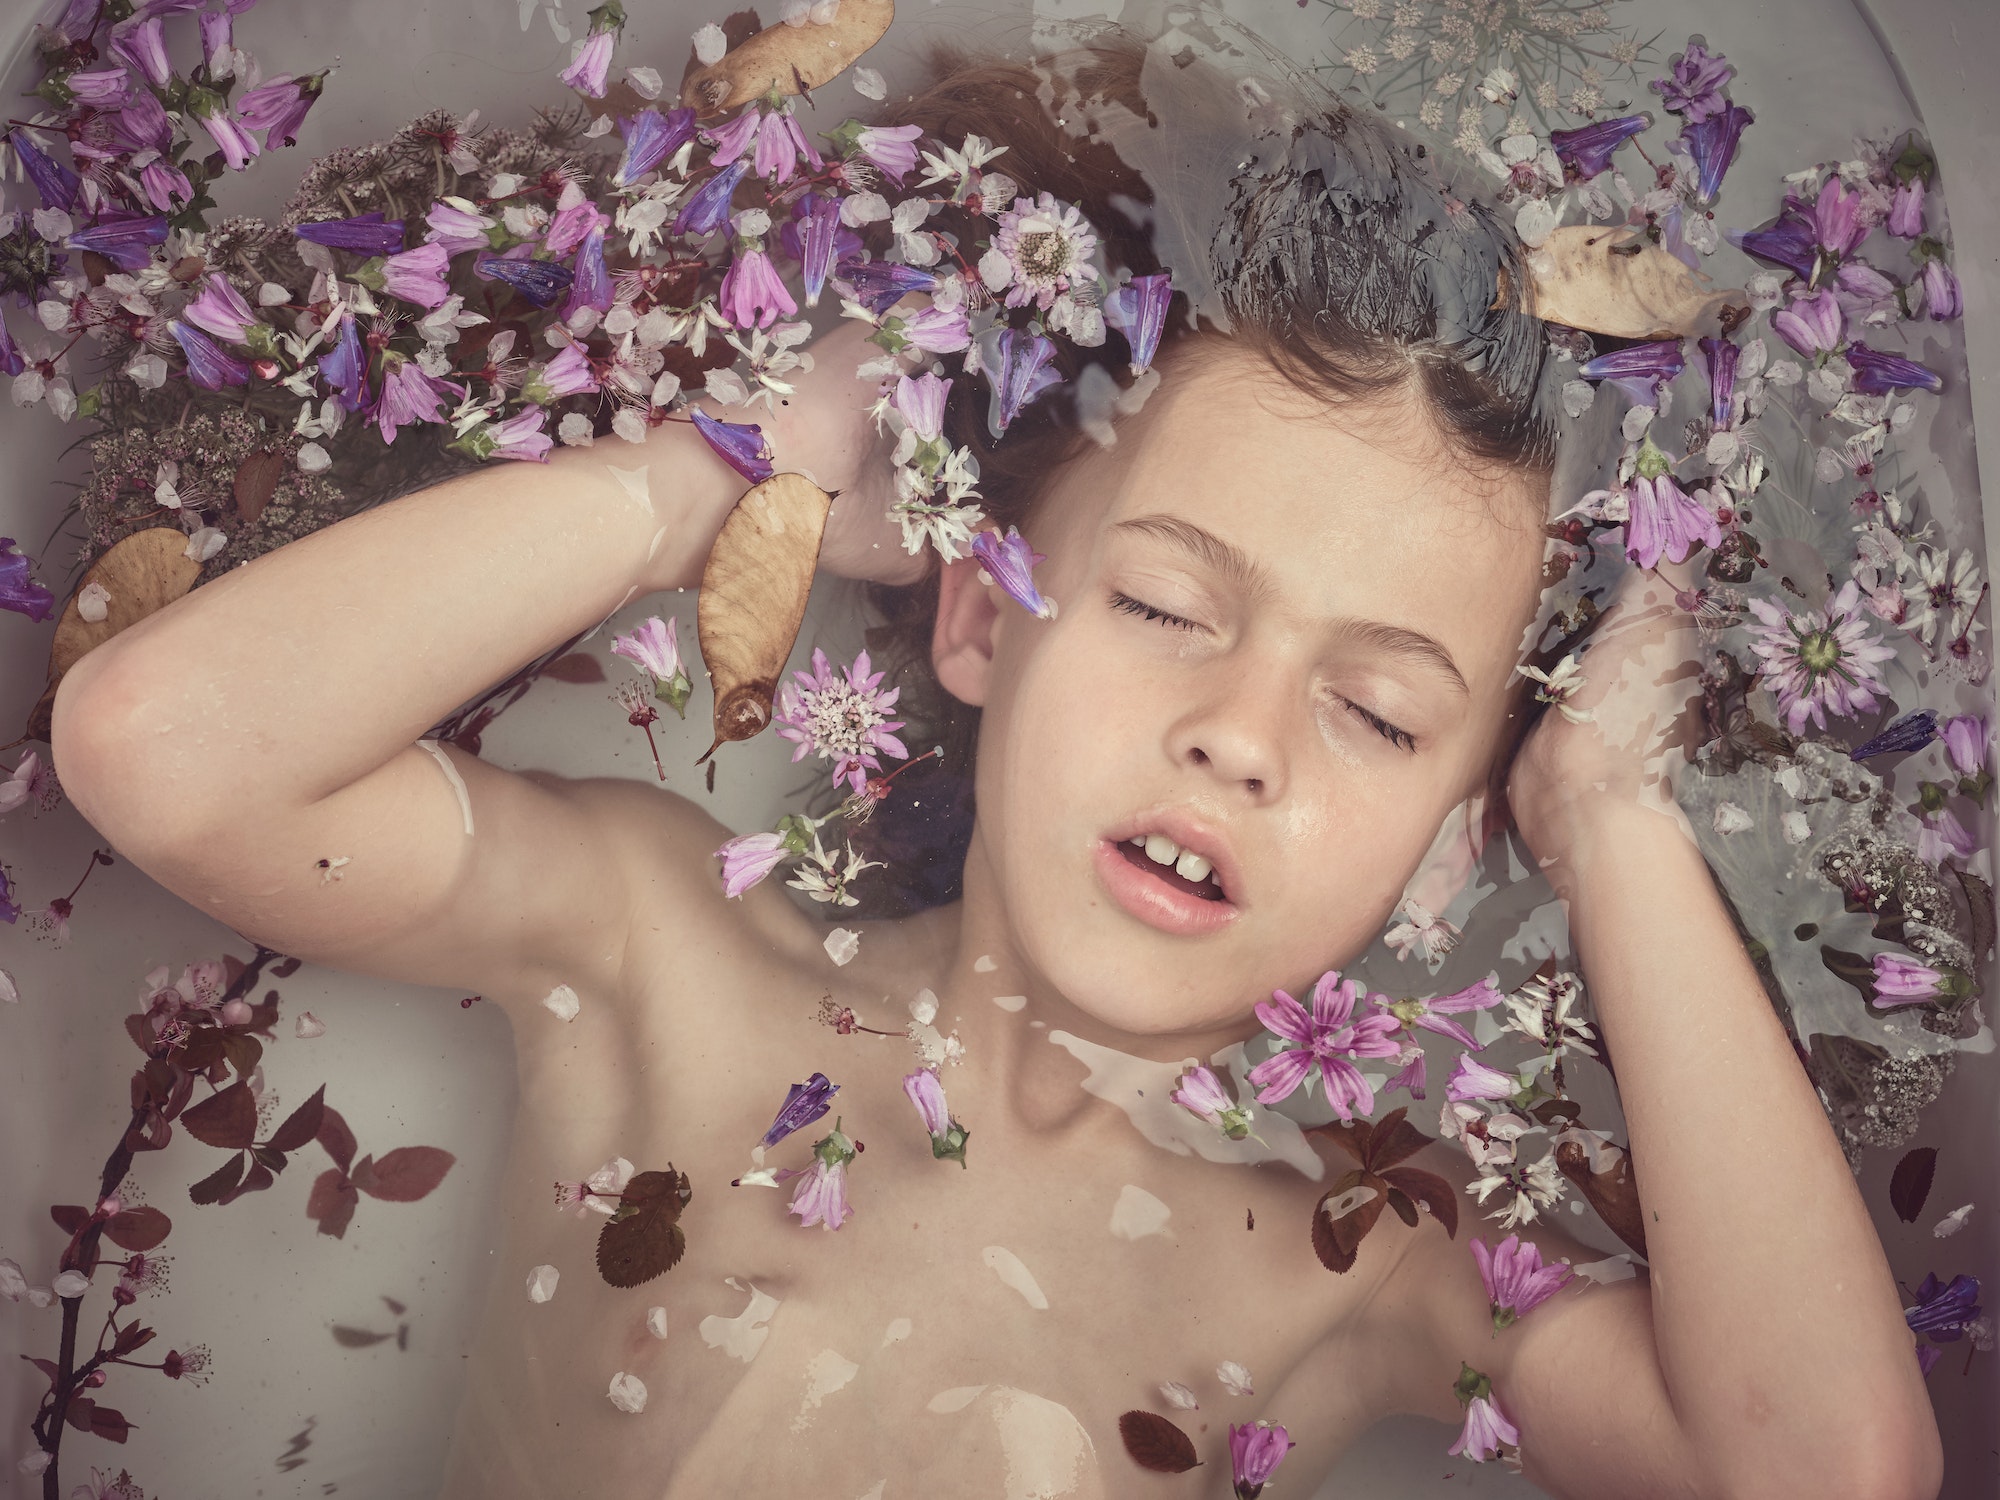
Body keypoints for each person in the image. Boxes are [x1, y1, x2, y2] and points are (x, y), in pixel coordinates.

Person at [47, 31, 1941, 1500]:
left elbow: (1822, 1475)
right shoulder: (662, 958)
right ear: (978, 618)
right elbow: (166, 751)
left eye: (1376, 713)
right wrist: (741, 477)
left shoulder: (1368, 1259)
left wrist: (1606, 814)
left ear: (1451, 839)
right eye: (1167, 606)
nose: (1240, 735)